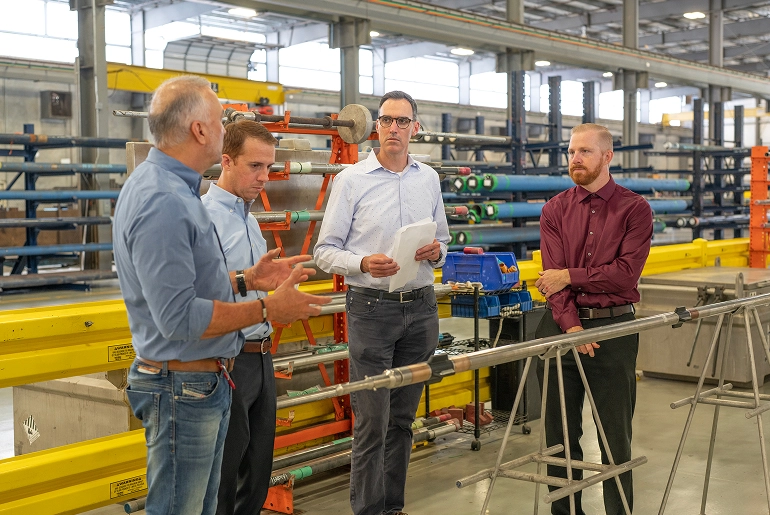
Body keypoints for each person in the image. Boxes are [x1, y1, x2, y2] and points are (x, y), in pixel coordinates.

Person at [113, 75, 331, 515]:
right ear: (199, 130)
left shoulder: (175, 189)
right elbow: (178, 317)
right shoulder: (164, 199)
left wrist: (246, 279)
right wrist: (268, 307)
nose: (223, 127)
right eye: (219, 119)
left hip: (197, 381)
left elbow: (186, 285)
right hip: (182, 385)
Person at [314, 90, 450, 515]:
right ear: (376, 127)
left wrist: (437, 252)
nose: (394, 128)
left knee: (402, 420)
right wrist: (361, 263)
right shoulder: (351, 180)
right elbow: (324, 252)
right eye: (387, 120)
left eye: (402, 121)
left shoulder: (428, 179)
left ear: (415, 128)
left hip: (421, 308)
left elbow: (443, 241)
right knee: (372, 423)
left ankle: (392, 508)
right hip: (371, 310)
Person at [534, 123, 653, 515]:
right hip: (560, 327)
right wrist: (571, 327)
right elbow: (551, 281)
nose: (575, 159)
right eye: (571, 152)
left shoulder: (634, 209)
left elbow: (624, 275)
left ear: (607, 156)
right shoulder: (554, 210)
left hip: (614, 329)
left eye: (584, 151)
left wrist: (570, 275)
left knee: (614, 437)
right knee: (559, 438)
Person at [201, 120, 279, 515]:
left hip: (262, 357)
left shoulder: (249, 220)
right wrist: (248, 281)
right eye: (255, 166)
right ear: (227, 161)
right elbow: (196, 294)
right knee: (223, 478)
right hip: (226, 361)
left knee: (258, 472)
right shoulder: (203, 219)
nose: (264, 177)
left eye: (269, 168)